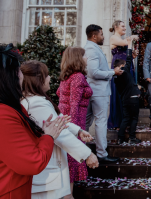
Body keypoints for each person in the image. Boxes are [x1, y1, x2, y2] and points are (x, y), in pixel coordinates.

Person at [0, 42, 67, 199]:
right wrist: (49, 136)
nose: (21, 76)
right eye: (18, 72)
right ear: (6, 77)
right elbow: (32, 162)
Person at [20, 60, 98, 199]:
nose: (50, 78)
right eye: (47, 75)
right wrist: (87, 154)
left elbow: (59, 120)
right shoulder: (37, 103)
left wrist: (78, 131)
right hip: (48, 169)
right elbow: (59, 132)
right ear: (39, 80)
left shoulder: (35, 100)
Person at [57, 47, 94, 196]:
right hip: (74, 120)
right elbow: (74, 104)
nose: (87, 59)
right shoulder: (78, 76)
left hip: (66, 119)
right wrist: (74, 129)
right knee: (72, 157)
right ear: (78, 58)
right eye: (85, 56)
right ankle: (68, 195)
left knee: (67, 158)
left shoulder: (67, 76)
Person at [85, 24, 123, 163]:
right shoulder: (92, 50)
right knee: (100, 122)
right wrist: (113, 72)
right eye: (101, 34)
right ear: (94, 36)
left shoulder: (92, 48)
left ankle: (82, 151)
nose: (103, 36)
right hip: (98, 92)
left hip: (92, 91)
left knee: (86, 122)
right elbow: (94, 73)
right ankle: (101, 154)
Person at [108, 20, 139, 130]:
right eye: (122, 26)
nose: (125, 28)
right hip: (118, 67)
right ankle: (118, 122)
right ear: (116, 27)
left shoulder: (122, 39)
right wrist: (133, 36)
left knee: (128, 94)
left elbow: (127, 48)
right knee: (119, 94)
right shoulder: (113, 38)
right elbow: (126, 43)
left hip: (127, 66)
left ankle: (127, 121)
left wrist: (133, 54)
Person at [114, 37, 142, 144]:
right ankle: (132, 138)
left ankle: (120, 138)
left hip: (125, 100)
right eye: (125, 65)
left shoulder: (115, 78)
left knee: (126, 118)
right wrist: (129, 46)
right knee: (134, 118)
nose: (127, 66)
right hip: (133, 98)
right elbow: (129, 59)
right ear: (121, 66)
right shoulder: (124, 72)